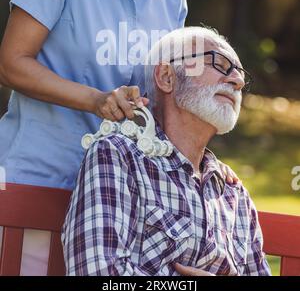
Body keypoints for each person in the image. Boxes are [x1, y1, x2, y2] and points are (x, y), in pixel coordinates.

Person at [0, 0, 236, 275]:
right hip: (40, 178)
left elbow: (166, 92)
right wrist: (96, 100)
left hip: (122, 198)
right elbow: (11, 64)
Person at [62, 26, 271, 276]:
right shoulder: (118, 156)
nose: (237, 81)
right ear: (166, 77)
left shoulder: (232, 191)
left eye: (239, 73)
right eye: (218, 63)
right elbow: (97, 273)